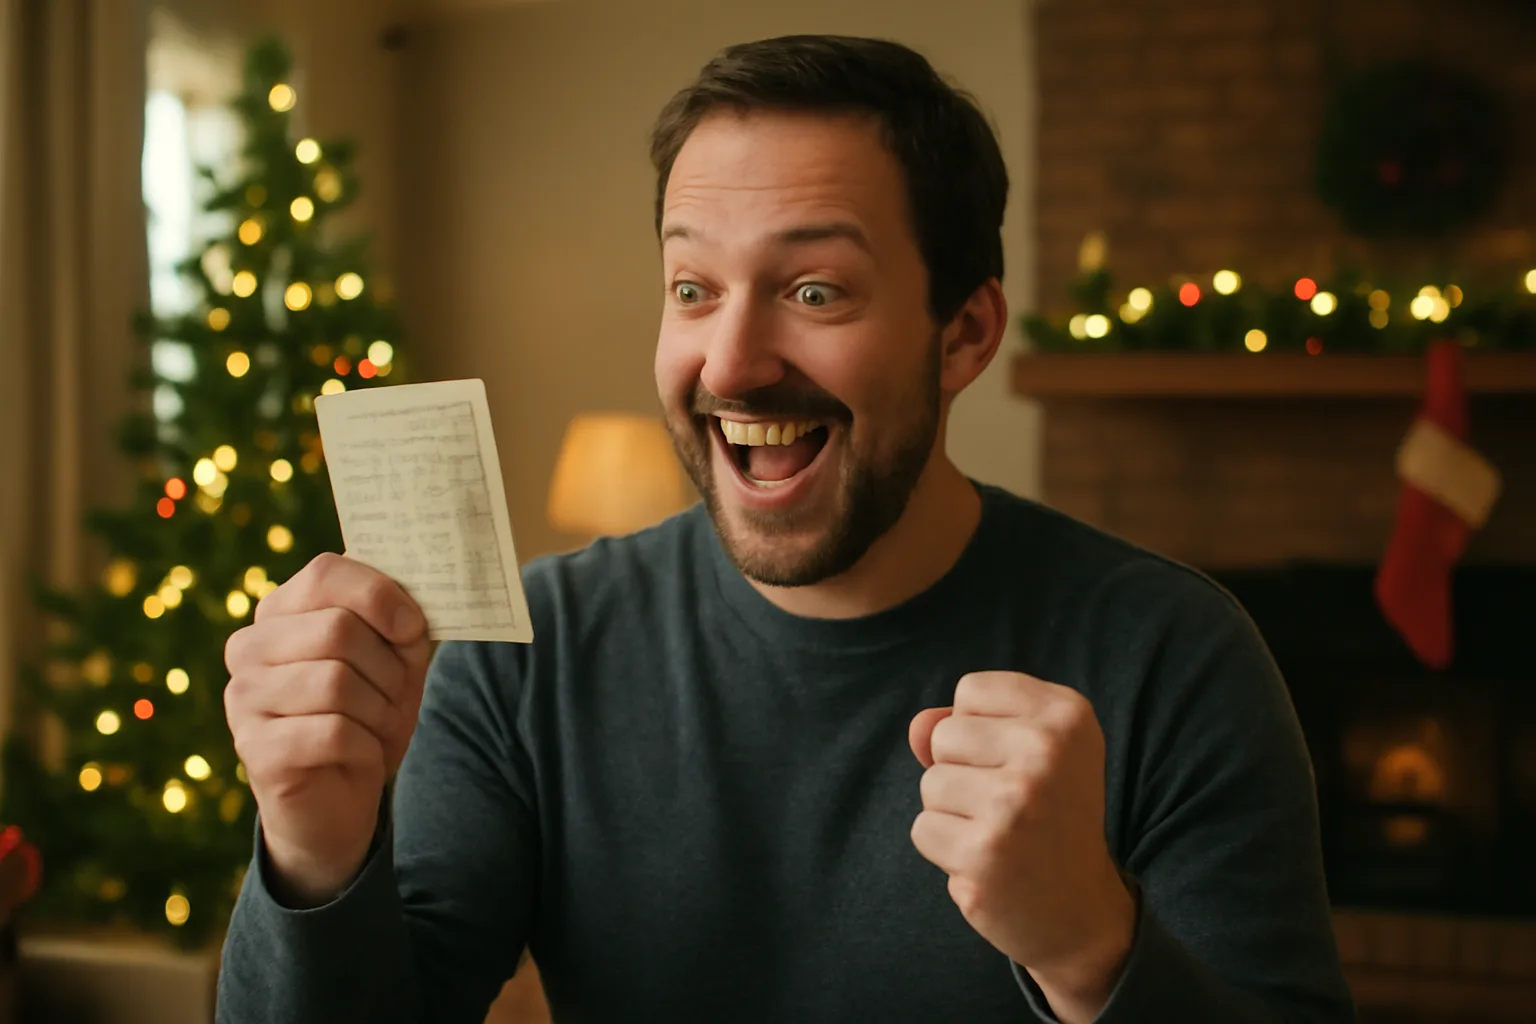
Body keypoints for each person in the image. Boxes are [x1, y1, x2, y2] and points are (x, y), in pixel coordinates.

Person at [217, 34, 1357, 1024]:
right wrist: (312, 853)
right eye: (693, 289)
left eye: (815, 292)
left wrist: (1092, 949)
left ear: (964, 335)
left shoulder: (1174, 655)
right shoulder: (528, 660)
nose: (732, 362)